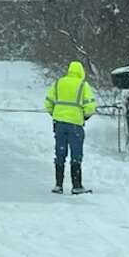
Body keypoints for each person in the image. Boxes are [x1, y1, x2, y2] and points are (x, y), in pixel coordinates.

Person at [44, 60, 97, 194]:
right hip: (75, 125)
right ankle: (76, 185)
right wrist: (84, 116)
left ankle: (58, 185)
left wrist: (55, 114)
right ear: (81, 72)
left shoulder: (58, 83)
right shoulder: (83, 85)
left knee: (60, 153)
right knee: (76, 155)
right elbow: (90, 106)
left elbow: (48, 103)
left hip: (59, 124)